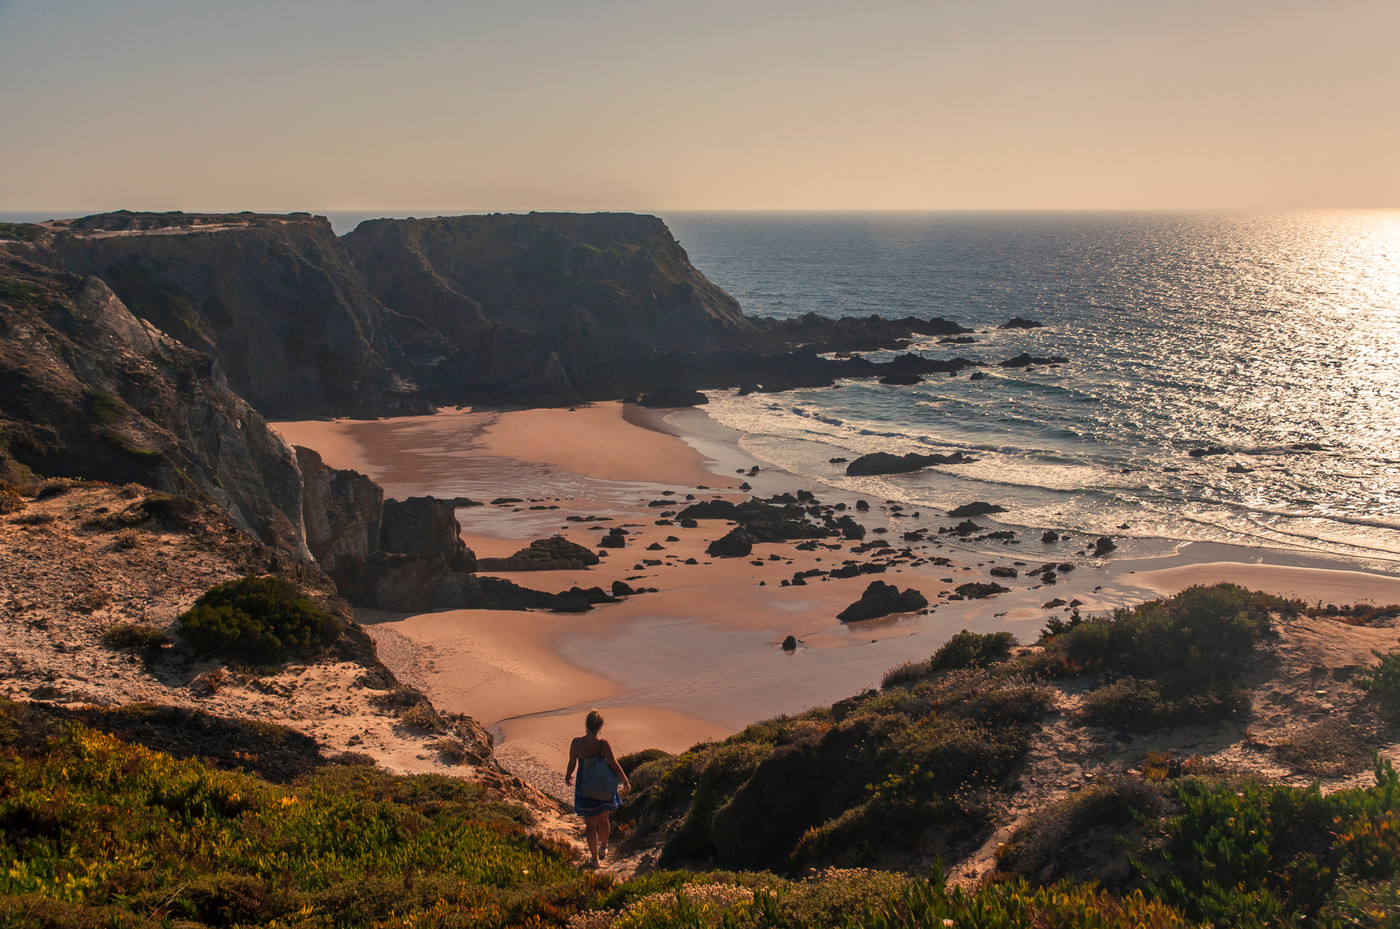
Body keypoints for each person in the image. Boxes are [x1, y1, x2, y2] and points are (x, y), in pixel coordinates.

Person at [565, 709, 631, 867]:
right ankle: (603, 848)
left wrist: (568, 775)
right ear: (600, 726)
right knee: (603, 819)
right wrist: (625, 781)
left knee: (590, 825)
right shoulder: (603, 744)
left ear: (586, 725)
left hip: (585, 788)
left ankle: (594, 859)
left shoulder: (576, 743)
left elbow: (572, 763)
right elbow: (614, 765)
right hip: (603, 787)